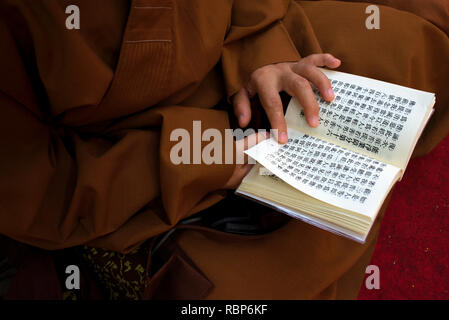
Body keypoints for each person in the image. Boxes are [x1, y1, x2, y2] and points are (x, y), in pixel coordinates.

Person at [0, 0, 448, 299]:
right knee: (244, 284)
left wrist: (264, 51)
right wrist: (209, 160)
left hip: (246, 62)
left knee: (401, 43)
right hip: (144, 164)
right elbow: (37, 186)